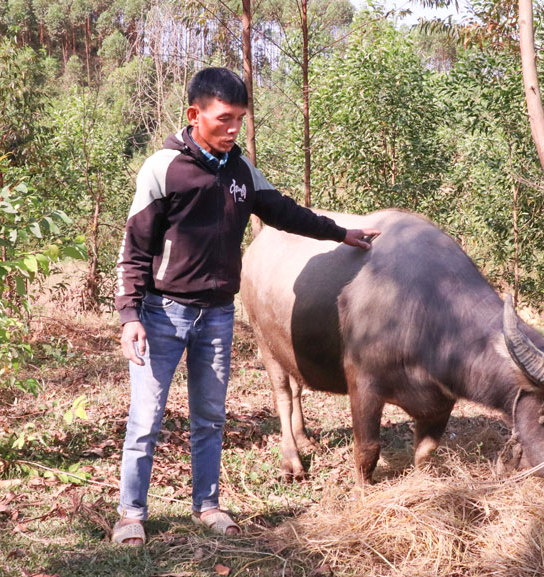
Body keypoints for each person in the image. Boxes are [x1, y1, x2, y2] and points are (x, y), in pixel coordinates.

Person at [112, 67, 379, 546]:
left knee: (210, 417)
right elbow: (134, 248)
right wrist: (130, 314)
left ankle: (207, 504)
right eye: (223, 119)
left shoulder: (240, 171)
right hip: (162, 313)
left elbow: (286, 213)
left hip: (216, 315)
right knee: (146, 420)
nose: (234, 129)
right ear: (194, 115)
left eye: (240, 119)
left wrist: (342, 233)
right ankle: (131, 513)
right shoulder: (163, 168)